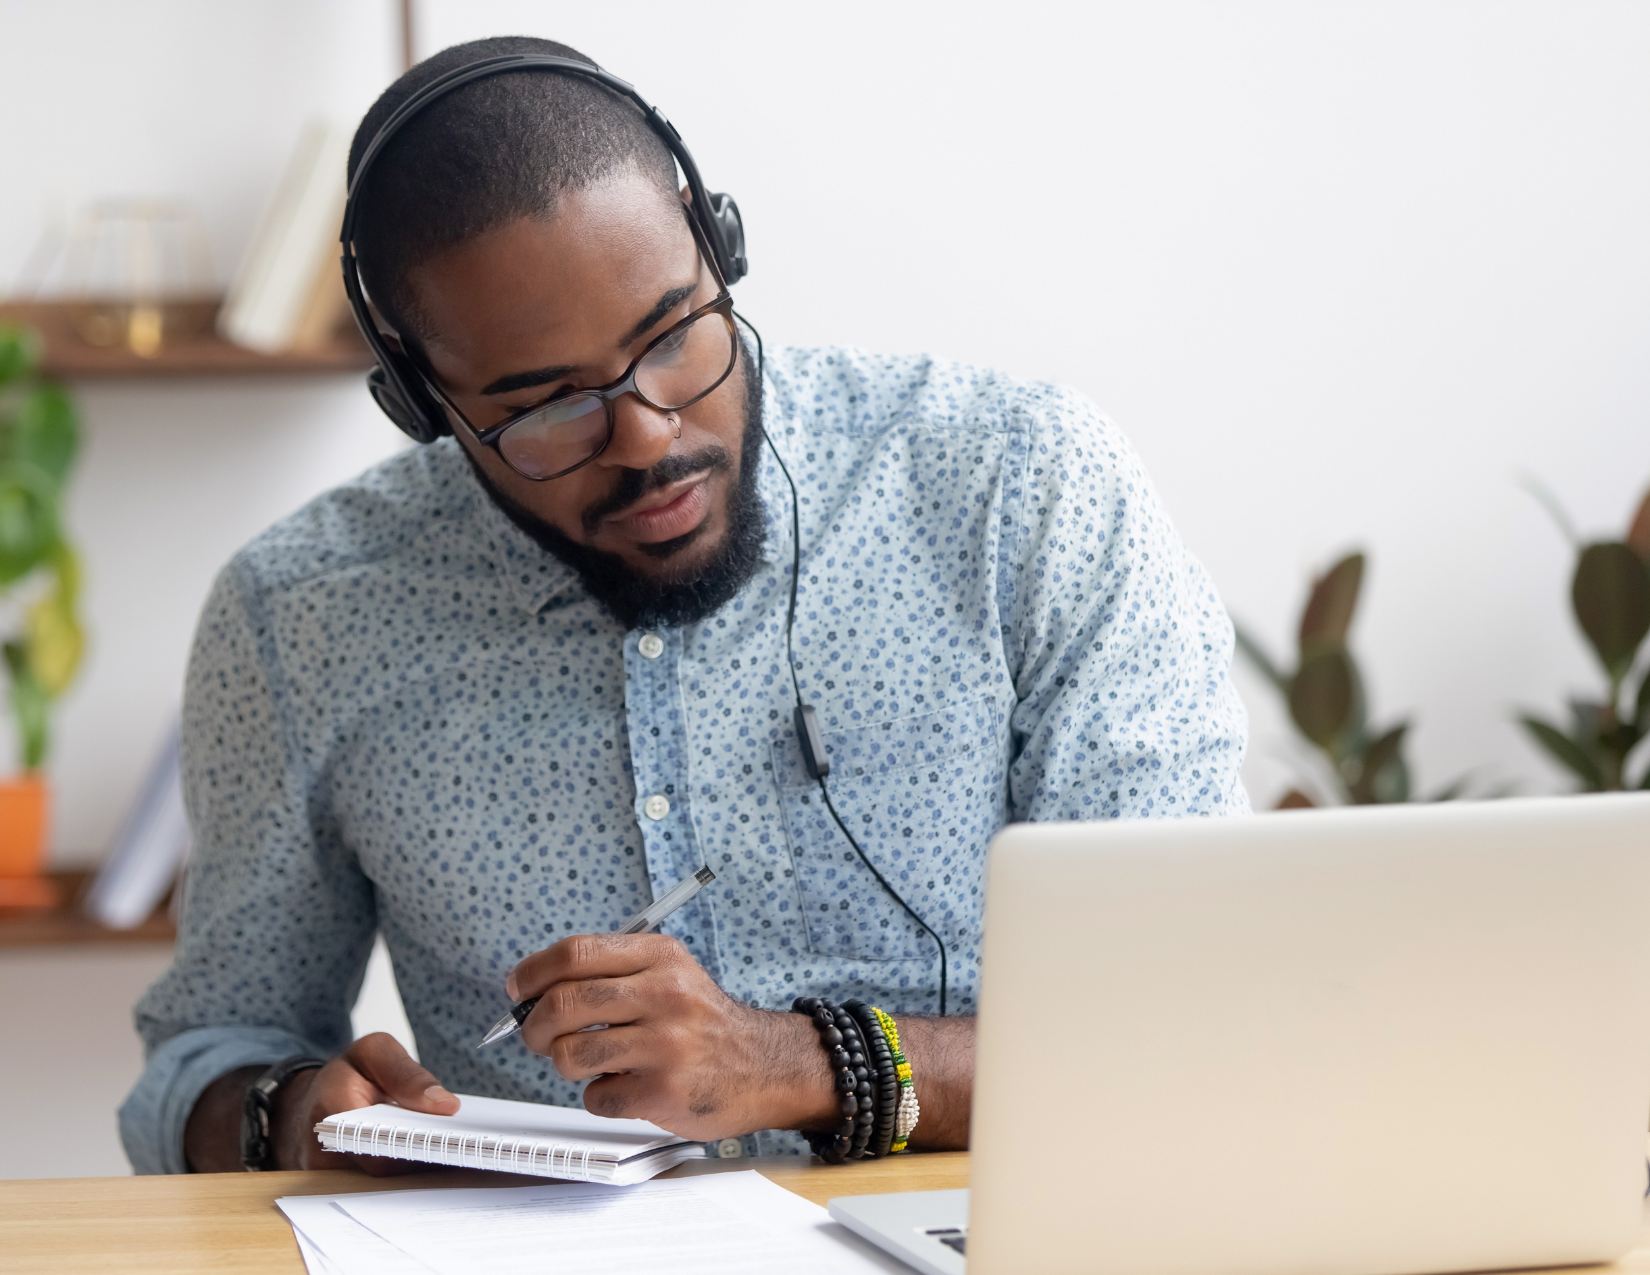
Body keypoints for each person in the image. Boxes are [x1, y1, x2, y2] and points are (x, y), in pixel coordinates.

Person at [120, 35, 1248, 1176]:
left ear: (722, 249)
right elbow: (205, 1058)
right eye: (545, 407)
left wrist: (798, 1064)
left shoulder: (1023, 488)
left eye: (672, 337)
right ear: (421, 403)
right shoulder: (298, 617)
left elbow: (1201, 1016)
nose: (648, 435)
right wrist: (290, 1112)